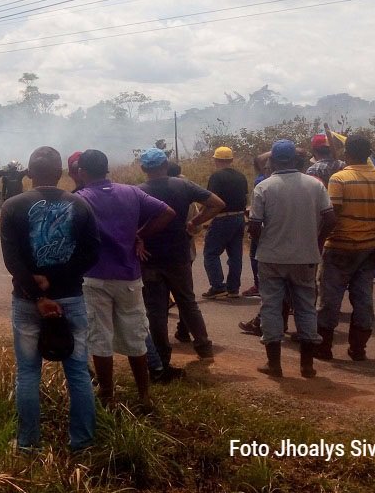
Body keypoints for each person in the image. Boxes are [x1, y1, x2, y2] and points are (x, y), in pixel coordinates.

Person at [0, 146, 100, 452]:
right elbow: (91, 254)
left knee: (28, 372)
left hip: (28, 302)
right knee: (78, 371)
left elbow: (12, 260)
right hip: (71, 297)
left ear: (29, 174)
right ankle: (82, 443)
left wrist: (39, 293)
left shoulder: (12, 206)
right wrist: (57, 282)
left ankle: (28, 445)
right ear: (60, 174)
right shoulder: (80, 205)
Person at [76, 150, 175, 410]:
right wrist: (139, 235)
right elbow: (167, 213)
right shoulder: (131, 192)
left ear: (83, 172)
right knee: (135, 334)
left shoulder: (81, 199)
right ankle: (144, 395)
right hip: (129, 276)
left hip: (95, 277)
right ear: (107, 168)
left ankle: (108, 396)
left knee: (100, 337)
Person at [249, 140, 336, 378]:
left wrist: (261, 243)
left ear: (273, 160)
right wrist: (316, 243)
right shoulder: (315, 185)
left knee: (271, 308)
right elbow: (330, 219)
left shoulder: (264, 187)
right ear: (296, 161)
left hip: (271, 258)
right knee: (306, 308)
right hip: (305, 257)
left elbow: (255, 225)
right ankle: (307, 365)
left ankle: (274, 364)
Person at [137, 148, 224, 377]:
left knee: (156, 310)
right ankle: (204, 348)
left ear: (144, 169)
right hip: (179, 255)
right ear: (166, 164)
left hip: (150, 259)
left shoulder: (139, 192)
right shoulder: (183, 185)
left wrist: (138, 239)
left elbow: (131, 225)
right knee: (187, 301)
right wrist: (195, 222)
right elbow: (217, 203)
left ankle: (162, 358)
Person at [316, 134, 375, 362]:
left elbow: (332, 216)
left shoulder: (340, 179)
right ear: (369, 153)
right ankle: (358, 349)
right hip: (371, 247)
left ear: (347, 154)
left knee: (330, 298)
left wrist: (320, 241)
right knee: (363, 298)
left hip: (340, 246)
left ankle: (324, 348)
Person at [203, 146, 249, 299]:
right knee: (236, 255)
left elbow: (211, 201)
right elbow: (245, 198)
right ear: (231, 160)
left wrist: (204, 218)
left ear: (216, 160)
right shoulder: (241, 176)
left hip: (223, 218)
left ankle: (217, 286)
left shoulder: (216, 177)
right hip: (239, 218)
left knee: (210, 253)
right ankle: (233, 289)